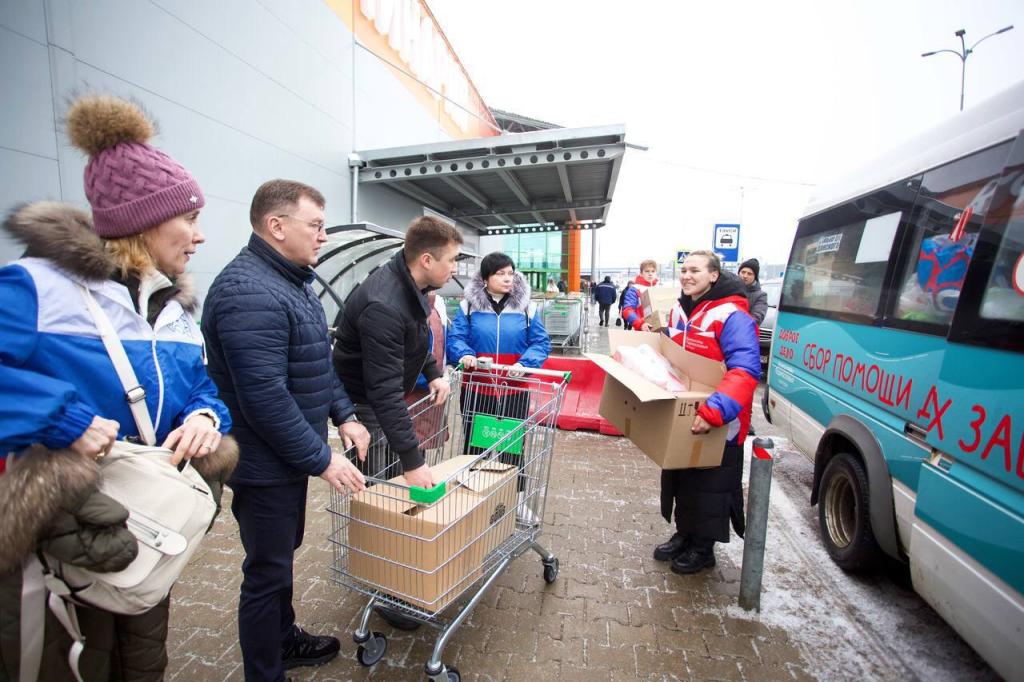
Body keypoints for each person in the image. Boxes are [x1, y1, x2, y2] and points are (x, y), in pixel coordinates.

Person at [0, 94, 236, 681]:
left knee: (142, 651)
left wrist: (206, 418)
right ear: (145, 221)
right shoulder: (36, 288)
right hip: (61, 534)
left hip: (145, 523)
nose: (200, 237)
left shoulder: (175, 307)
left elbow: (200, 386)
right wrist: (64, 420)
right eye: (190, 218)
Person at [202, 179, 371, 681]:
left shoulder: (290, 281)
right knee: (266, 571)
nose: (322, 236)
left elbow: (316, 363)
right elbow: (265, 399)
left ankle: (284, 639)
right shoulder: (247, 291)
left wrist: (345, 414)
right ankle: (265, 670)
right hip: (262, 462)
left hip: (285, 458)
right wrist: (321, 459)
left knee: (280, 558)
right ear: (277, 226)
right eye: (315, 225)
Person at [656, 250, 760, 574]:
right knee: (683, 479)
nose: (686, 275)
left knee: (711, 485)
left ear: (713, 275)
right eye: (683, 270)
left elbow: (744, 370)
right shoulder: (679, 310)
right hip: (686, 412)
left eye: (695, 270)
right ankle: (685, 533)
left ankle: (704, 548)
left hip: (720, 418)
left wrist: (714, 411)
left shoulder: (732, 315)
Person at [621, 259, 660, 330]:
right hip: (642, 329)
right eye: (647, 271)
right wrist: (640, 324)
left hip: (660, 329)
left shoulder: (660, 288)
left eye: (653, 271)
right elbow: (627, 310)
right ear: (641, 273)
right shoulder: (634, 289)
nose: (650, 274)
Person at [738, 258, 768, 325]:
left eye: (749, 274)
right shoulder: (731, 289)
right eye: (743, 272)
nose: (745, 276)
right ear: (738, 273)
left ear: (755, 277)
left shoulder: (761, 295)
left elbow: (757, 317)